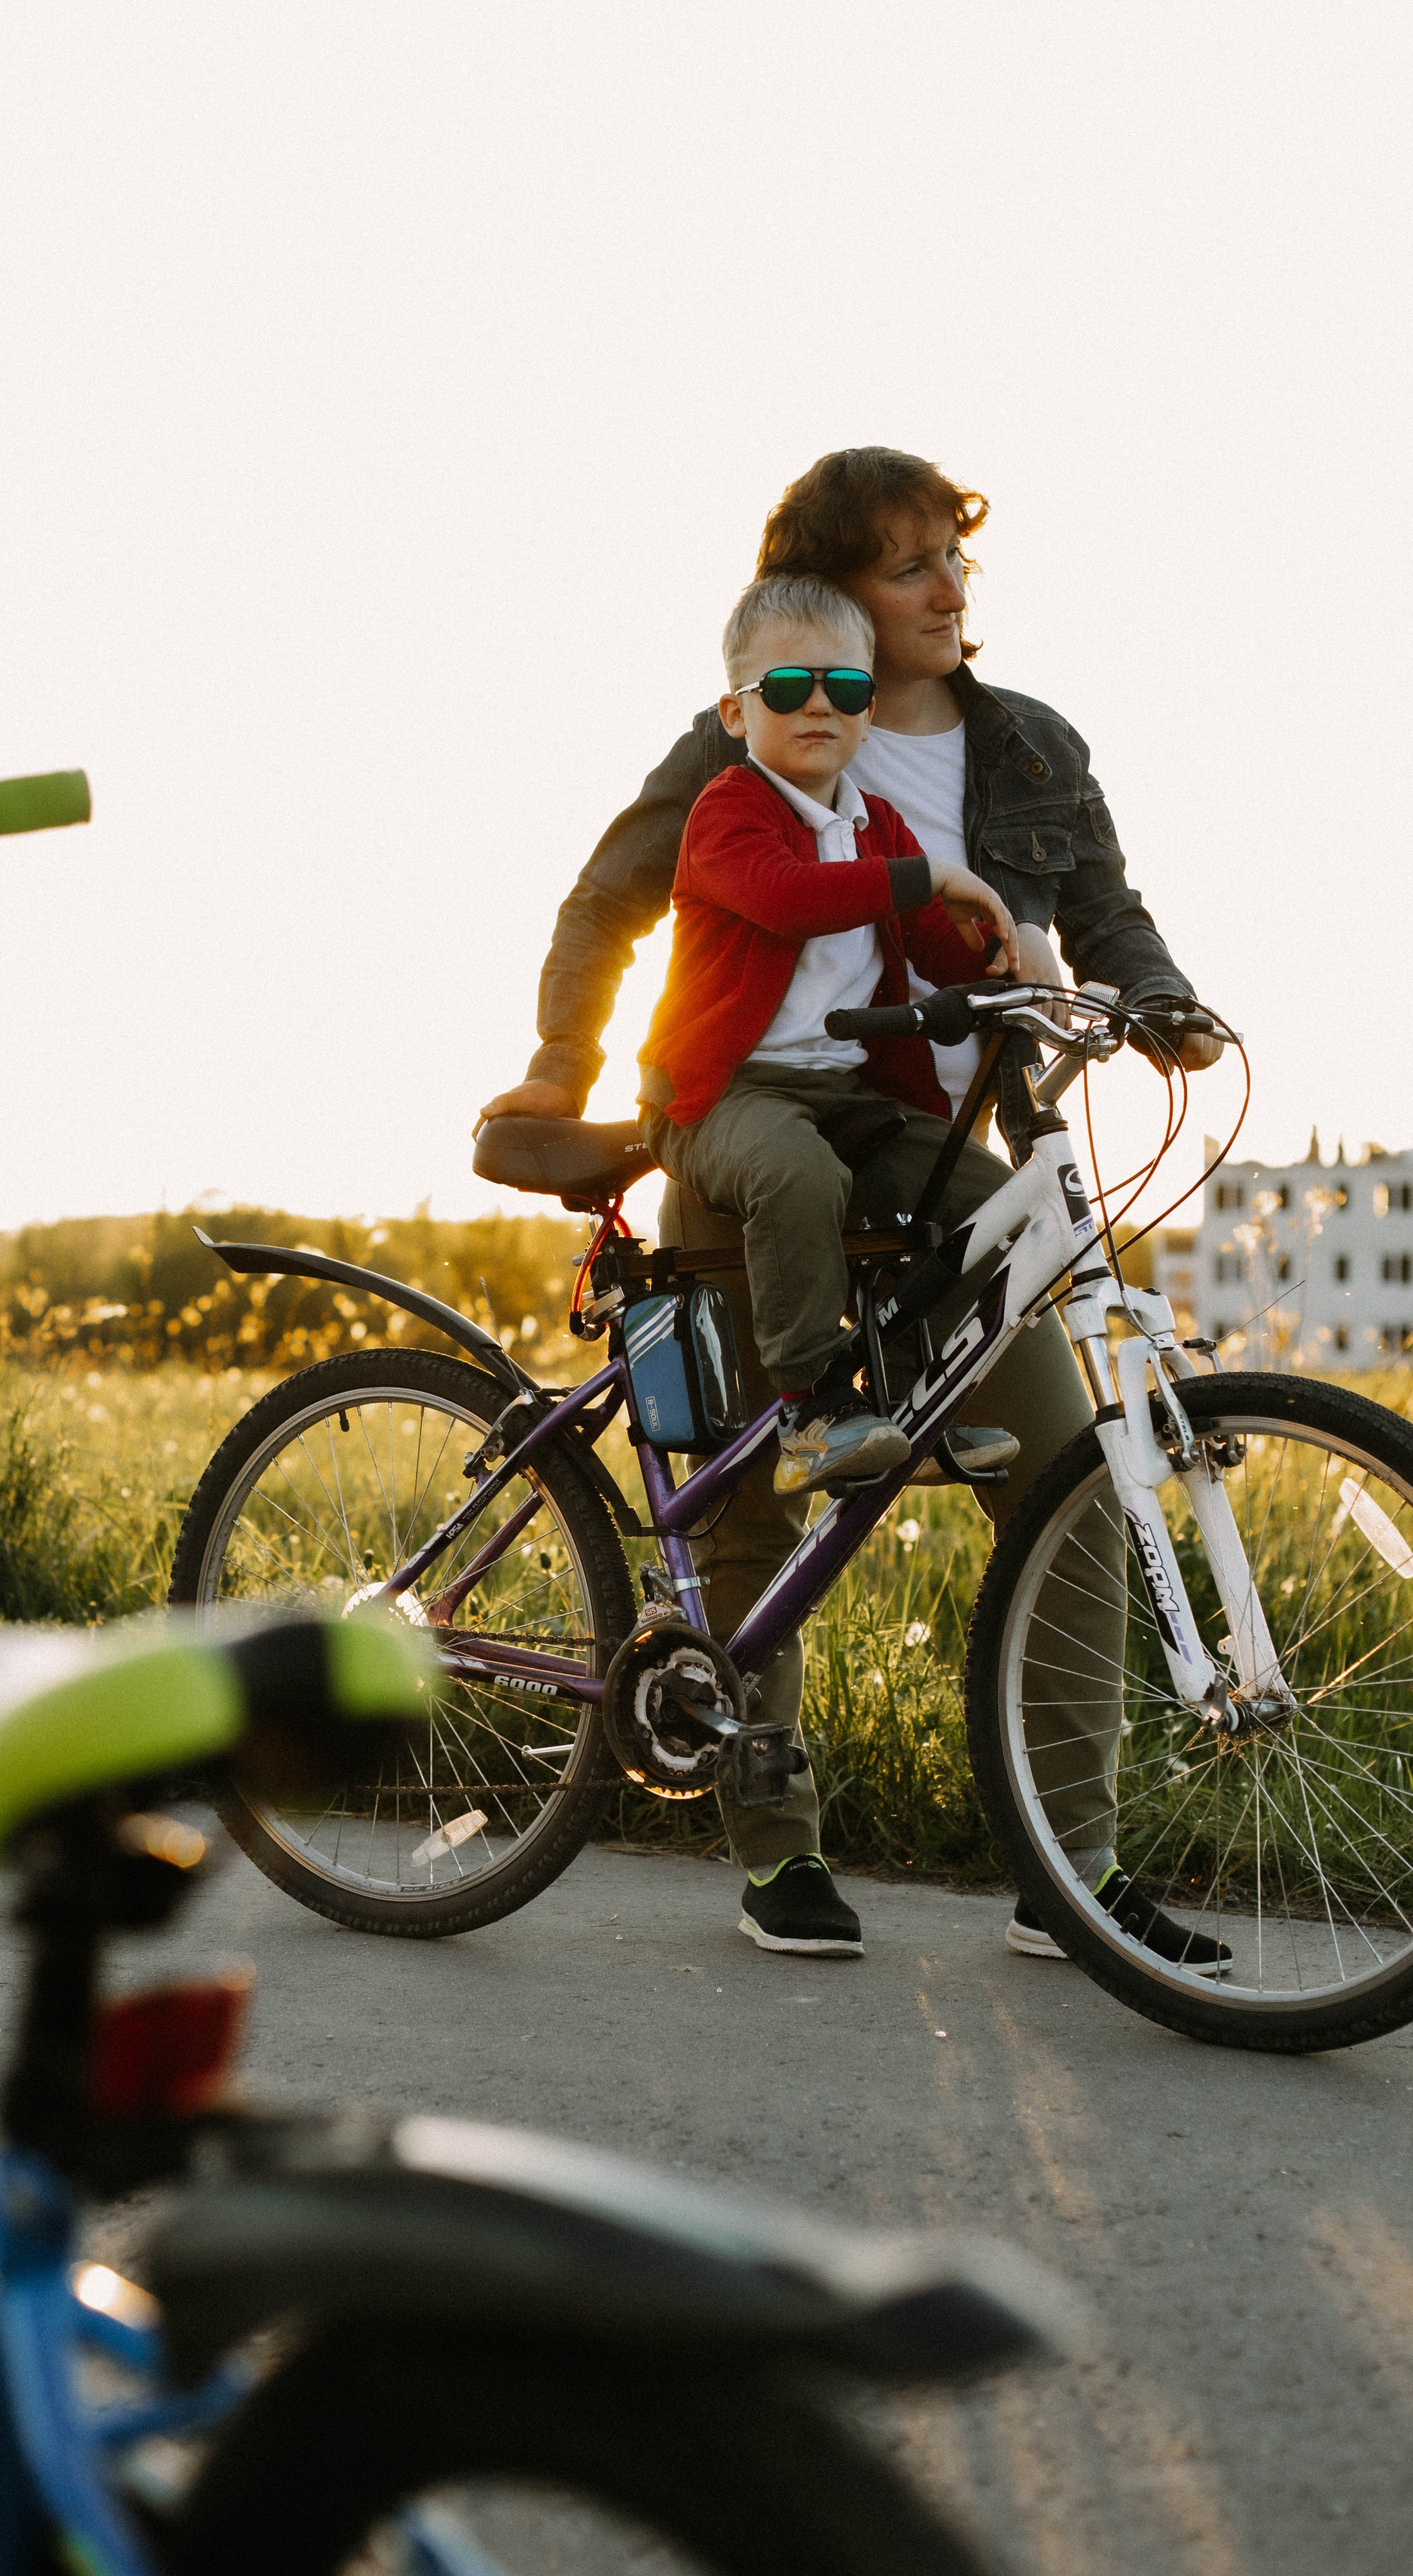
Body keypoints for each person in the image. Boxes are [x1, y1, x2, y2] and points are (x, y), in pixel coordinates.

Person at [478, 446, 1228, 1976]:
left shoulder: (1027, 745)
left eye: (954, 559)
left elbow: (1103, 907)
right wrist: (561, 1074)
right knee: (751, 1519)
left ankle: (1069, 1873)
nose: (948, 590)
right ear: (823, 591)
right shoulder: (743, 750)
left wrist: (1156, 996)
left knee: (1070, 1484)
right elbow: (606, 904)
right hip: (752, 1157)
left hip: (943, 1167)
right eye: (908, 565)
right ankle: (780, 1851)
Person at [637, 567, 1030, 1500]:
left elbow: (936, 949)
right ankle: (809, 1410)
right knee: (797, 1176)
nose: (818, 705)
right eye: (786, 687)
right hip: (721, 1095)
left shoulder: (878, 826)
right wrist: (928, 876)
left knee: (984, 1197)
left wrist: (1007, 965)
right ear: (736, 713)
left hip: (845, 1094)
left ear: (868, 712)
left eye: (845, 687)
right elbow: (783, 899)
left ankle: (913, 1398)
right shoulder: (729, 810)